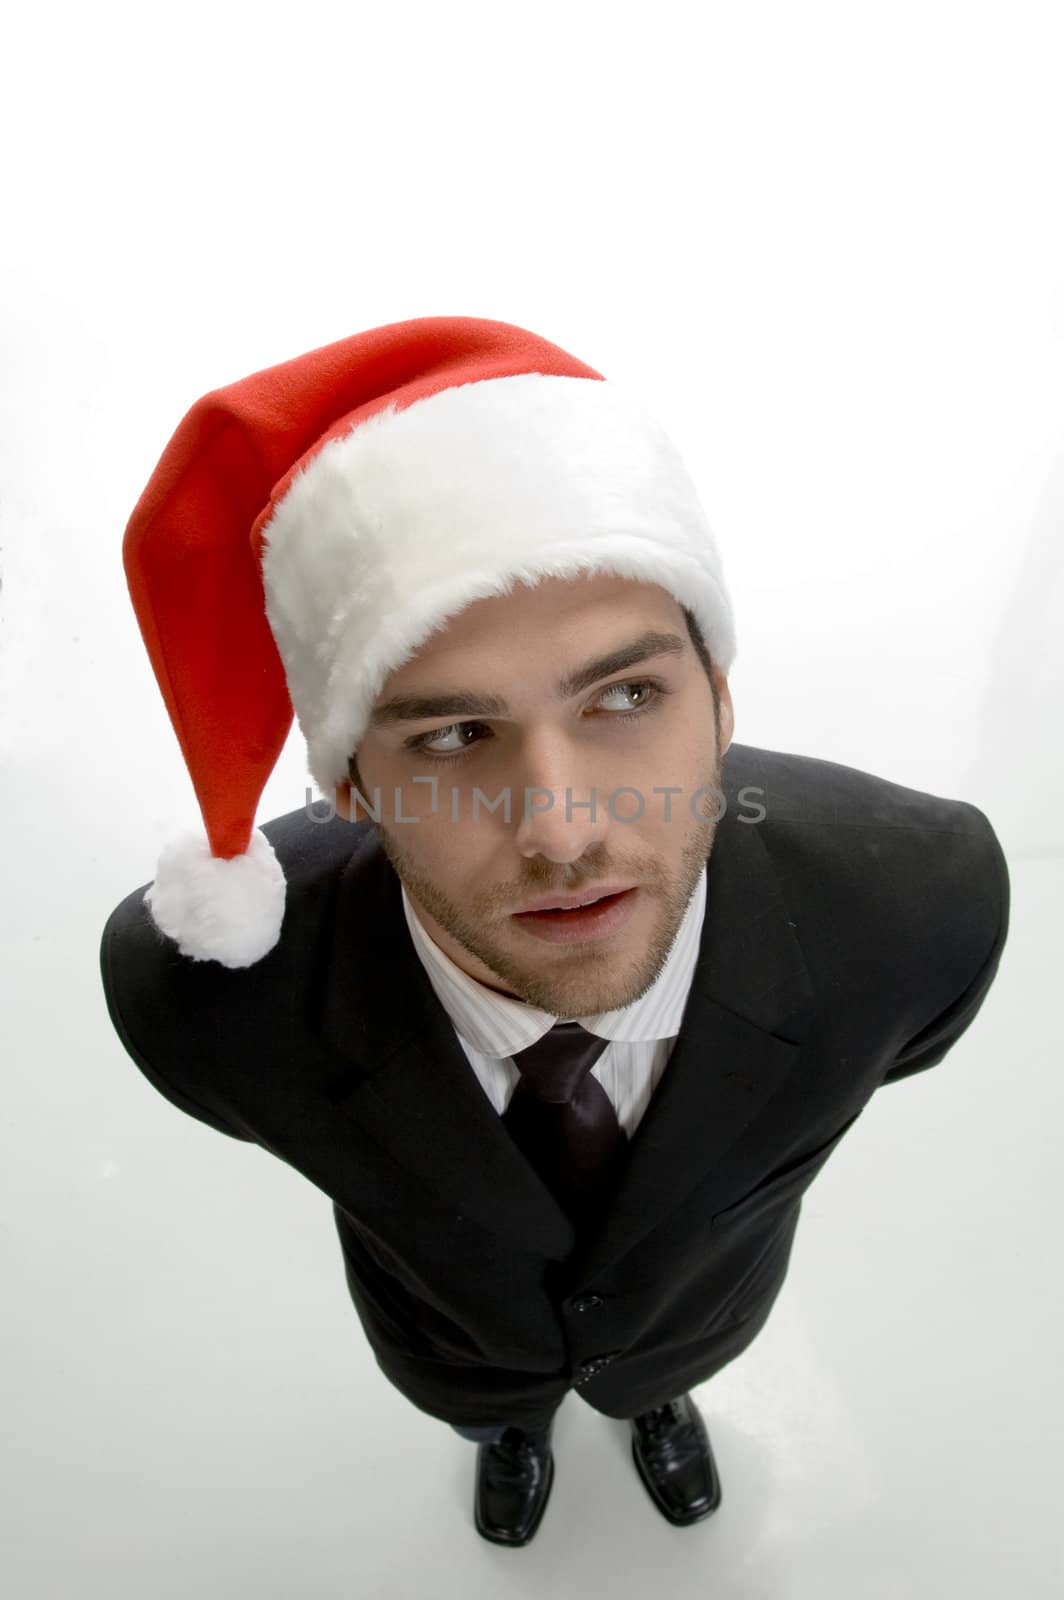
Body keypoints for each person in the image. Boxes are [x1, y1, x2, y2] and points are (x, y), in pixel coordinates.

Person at [99, 315, 1010, 1548]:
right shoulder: (203, 993)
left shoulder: (916, 907)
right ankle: (509, 1435)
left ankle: (654, 1402)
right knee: (492, 1407)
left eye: (626, 695)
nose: (563, 830)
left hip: (700, 1308)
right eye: (453, 735)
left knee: (652, 1367)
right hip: (451, 1347)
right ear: (349, 782)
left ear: (721, 692)